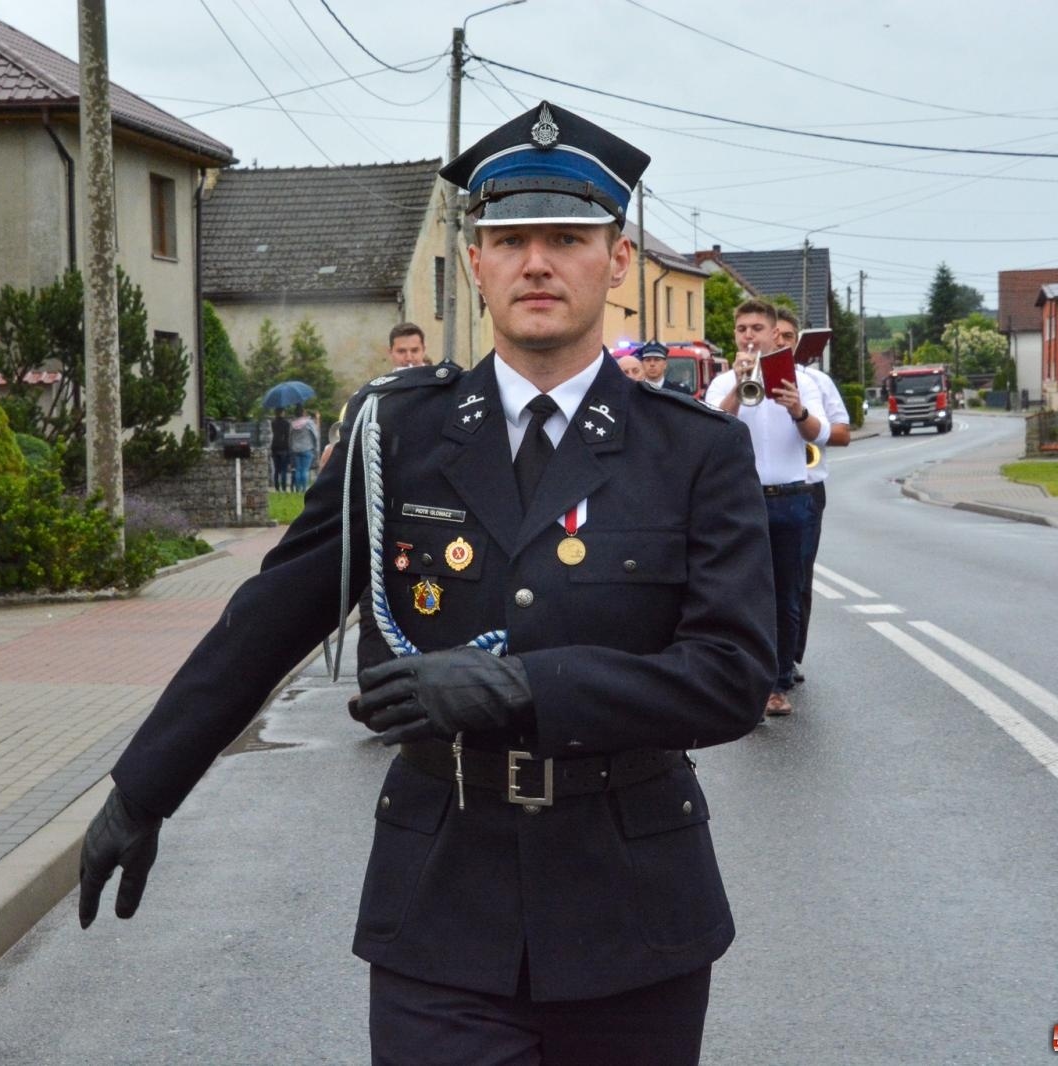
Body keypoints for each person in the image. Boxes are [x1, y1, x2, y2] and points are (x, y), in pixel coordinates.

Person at [78, 100, 775, 1066]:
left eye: (567, 239)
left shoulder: (696, 452)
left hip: (632, 911)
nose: (538, 262)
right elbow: (270, 617)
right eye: (511, 239)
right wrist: (142, 788)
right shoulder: (396, 434)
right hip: (445, 900)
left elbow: (734, 673)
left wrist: (529, 688)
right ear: (477, 261)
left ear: (615, 262)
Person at [704, 299, 828, 717]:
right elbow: (711, 431)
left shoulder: (802, 382)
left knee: (786, 597)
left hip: (790, 498)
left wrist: (797, 408)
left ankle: (777, 684)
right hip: (740, 502)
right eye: (742, 329)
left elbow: (822, 434)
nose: (749, 336)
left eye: (757, 328)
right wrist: (740, 390)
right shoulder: (722, 383)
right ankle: (747, 684)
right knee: (740, 597)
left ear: (775, 334)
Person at [773, 310, 851, 681]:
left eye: (789, 337)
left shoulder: (816, 381)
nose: (782, 343)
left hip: (807, 485)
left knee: (798, 577)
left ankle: (791, 655)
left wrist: (807, 424)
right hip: (766, 490)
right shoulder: (749, 379)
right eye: (778, 336)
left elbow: (842, 434)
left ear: (797, 341)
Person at [288, 407, 319, 491]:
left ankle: (298, 488)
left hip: (296, 449)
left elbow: (290, 437)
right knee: (305, 470)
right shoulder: (308, 423)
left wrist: (291, 447)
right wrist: (316, 448)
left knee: (298, 469)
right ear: (303, 413)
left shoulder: (293, 424)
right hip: (307, 448)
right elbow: (315, 435)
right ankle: (304, 489)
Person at [269, 410, 292, 491]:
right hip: (284, 448)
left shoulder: (273, 423)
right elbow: (287, 436)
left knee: (276, 469)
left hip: (275, 447)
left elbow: (274, 434)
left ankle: (276, 486)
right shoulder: (287, 423)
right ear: (282, 413)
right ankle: (284, 487)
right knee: (283, 469)